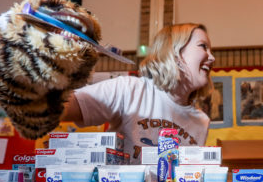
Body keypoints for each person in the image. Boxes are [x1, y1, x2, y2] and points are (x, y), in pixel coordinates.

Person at [61, 23, 215, 163]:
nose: (212, 57)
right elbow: (61, 107)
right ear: (174, 52)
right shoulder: (130, 90)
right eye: (203, 46)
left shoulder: (201, 121)